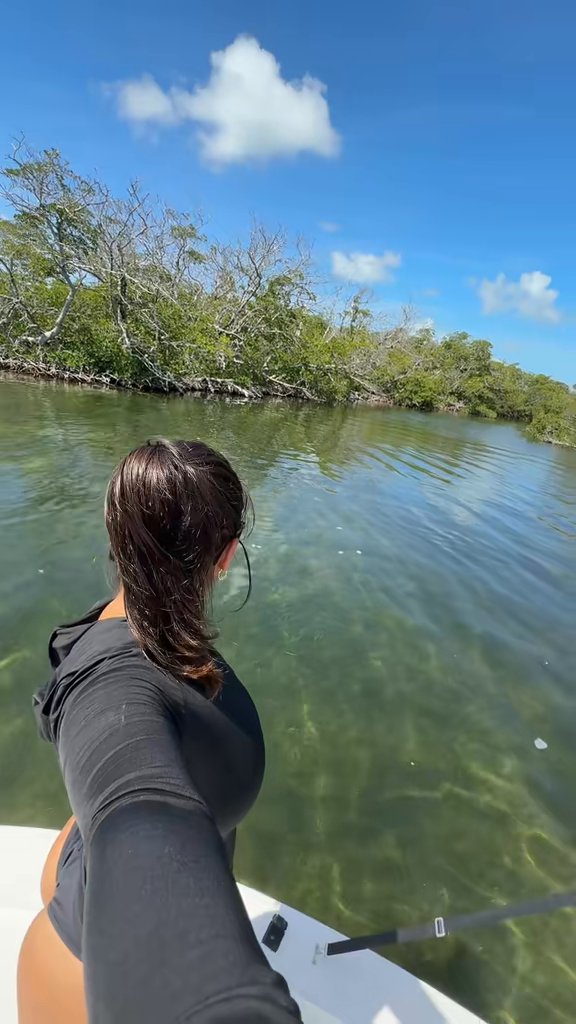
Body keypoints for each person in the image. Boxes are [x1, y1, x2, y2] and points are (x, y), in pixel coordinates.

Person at [18, 439, 302, 1024]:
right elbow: (135, 794)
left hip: (86, 884)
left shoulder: (132, 627)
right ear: (225, 556)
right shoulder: (111, 687)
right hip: (82, 975)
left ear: (116, 534)